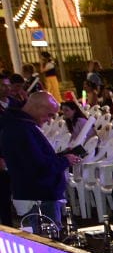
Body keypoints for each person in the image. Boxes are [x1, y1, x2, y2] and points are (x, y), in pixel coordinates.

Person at [0, 92, 77, 226]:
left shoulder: (18, 125)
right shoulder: (21, 129)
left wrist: (61, 156)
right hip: (38, 196)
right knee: (45, 236)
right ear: (37, 107)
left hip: (34, 193)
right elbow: (38, 167)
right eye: (49, 115)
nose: (49, 120)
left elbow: (35, 158)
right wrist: (65, 161)